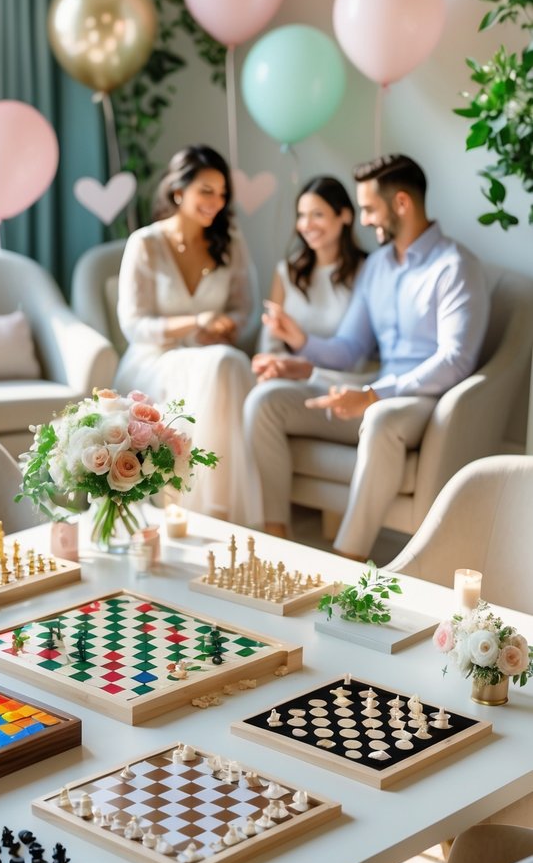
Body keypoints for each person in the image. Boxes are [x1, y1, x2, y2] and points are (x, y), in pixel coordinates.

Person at [243, 153, 489, 559]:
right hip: (380, 390)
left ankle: (347, 561)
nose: (365, 219)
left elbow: (455, 361)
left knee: (377, 416)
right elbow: (350, 347)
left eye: (370, 208)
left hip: (428, 400)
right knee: (265, 402)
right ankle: (275, 541)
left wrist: (374, 395)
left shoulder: (455, 267)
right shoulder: (376, 267)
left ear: (402, 204)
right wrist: (301, 355)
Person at [115, 144, 260, 524]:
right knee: (226, 364)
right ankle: (205, 511)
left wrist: (228, 326)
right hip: (154, 360)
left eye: (222, 193)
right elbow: (133, 324)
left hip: (211, 355)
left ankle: (224, 510)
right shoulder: (145, 243)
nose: (216, 202)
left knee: (227, 362)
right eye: (206, 191)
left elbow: (245, 308)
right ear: (178, 191)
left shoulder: (230, 242)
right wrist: (197, 322)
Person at [255, 175, 365, 382]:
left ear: (345, 216)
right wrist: (275, 365)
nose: (307, 225)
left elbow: (359, 350)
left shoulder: (366, 271)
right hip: (289, 376)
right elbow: (270, 341)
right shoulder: (287, 272)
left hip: (342, 380)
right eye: (301, 215)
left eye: (318, 214)